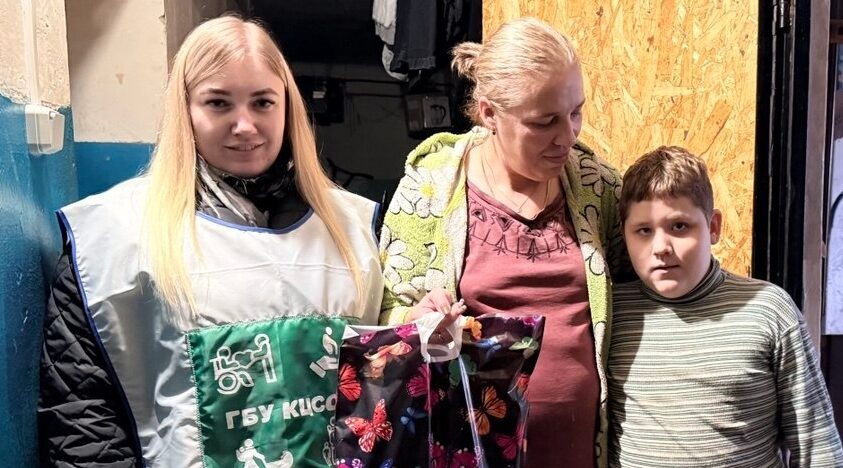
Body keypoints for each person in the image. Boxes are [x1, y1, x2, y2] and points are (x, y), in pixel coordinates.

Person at [38, 16, 383, 467]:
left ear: (287, 107)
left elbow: (382, 378)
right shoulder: (115, 235)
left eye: (263, 102)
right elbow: (82, 414)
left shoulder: (353, 227)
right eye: (218, 103)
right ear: (185, 110)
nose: (245, 125)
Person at [379, 17, 631, 468]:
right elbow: (385, 313)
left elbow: (639, 296)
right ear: (490, 113)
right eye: (544, 122)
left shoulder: (598, 186)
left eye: (576, 112)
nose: (568, 136)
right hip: (469, 452)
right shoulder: (430, 188)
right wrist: (417, 320)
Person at [608, 146, 843, 467]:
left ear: (714, 226)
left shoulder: (768, 310)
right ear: (625, 235)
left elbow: (818, 447)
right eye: (644, 231)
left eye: (679, 226)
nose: (661, 247)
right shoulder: (610, 313)